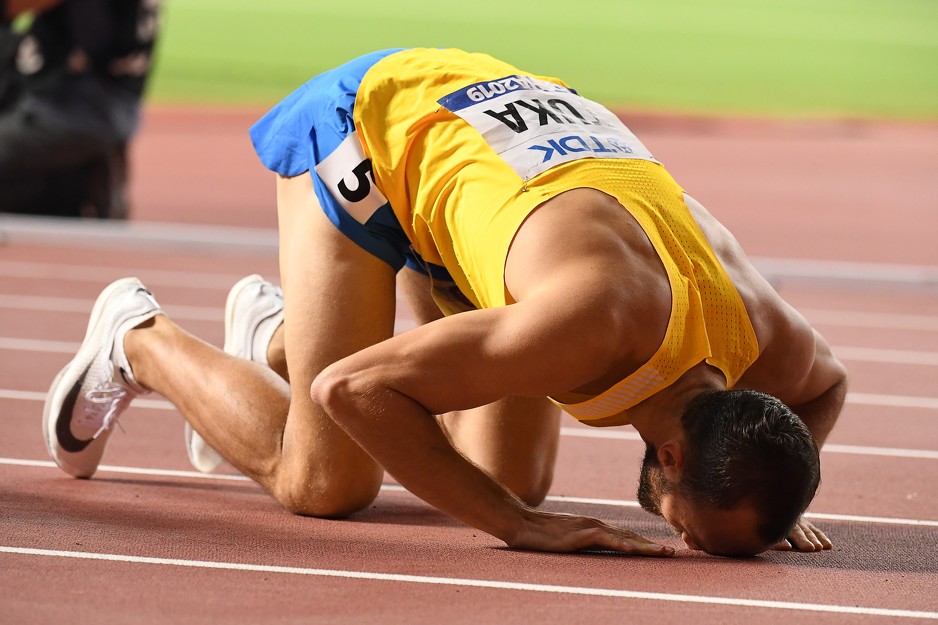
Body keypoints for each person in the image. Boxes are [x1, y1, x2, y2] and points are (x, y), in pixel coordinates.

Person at [42, 48, 847, 557]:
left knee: (502, 476)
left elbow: (827, 385)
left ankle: (280, 334)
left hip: (511, 168)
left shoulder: (761, 337)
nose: (683, 541)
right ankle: (137, 336)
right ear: (671, 457)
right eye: (694, 533)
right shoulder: (584, 326)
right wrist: (518, 529)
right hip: (375, 131)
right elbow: (353, 389)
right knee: (327, 482)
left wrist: (775, 493)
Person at [0, 0, 161, 218]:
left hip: (69, 114)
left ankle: (82, 179)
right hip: (112, 110)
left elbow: (94, 44)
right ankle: (87, 175)